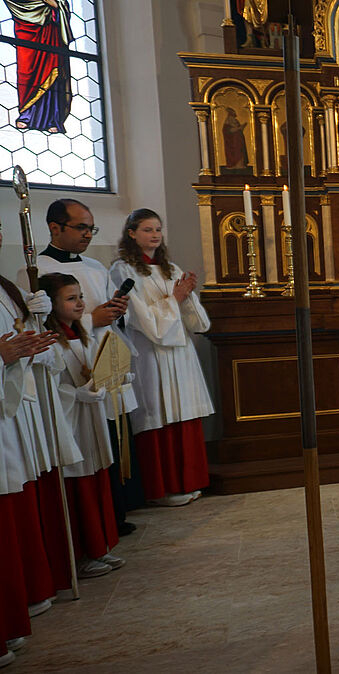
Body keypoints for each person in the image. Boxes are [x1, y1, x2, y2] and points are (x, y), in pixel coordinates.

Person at [32, 198, 140, 534]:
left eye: (91, 228)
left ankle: (117, 512)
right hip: (73, 361)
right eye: (81, 227)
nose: (88, 234)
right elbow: (45, 323)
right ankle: (98, 521)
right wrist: (95, 317)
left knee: (113, 436)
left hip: (105, 353)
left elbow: (108, 312)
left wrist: (116, 309)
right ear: (55, 228)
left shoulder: (94, 266)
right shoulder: (37, 269)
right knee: (92, 440)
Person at [110, 209, 213, 508]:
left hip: (180, 354)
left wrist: (188, 295)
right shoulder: (123, 270)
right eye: (146, 229)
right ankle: (162, 489)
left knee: (183, 413)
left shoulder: (170, 268)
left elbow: (197, 324)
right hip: (150, 354)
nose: (154, 235)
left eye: (158, 229)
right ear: (131, 233)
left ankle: (189, 481)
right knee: (158, 415)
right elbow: (145, 323)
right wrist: (176, 298)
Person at [0, 252, 73, 646]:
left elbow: (44, 357)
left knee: (19, 502)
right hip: (6, 413)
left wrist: (34, 325)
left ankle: (25, 597)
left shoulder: (5, 290)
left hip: (14, 413)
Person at [39, 273, 124, 579]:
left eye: (80, 297)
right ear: (51, 305)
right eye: (71, 298)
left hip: (90, 417)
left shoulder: (81, 333)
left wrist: (113, 373)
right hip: (71, 420)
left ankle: (100, 546)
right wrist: (77, 394)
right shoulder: (49, 341)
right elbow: (47, 387)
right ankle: (82, 555)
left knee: (97, 477)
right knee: (79, 485)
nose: (80, 304)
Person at [5, 0, 73, 132]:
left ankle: (53, 119)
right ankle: (27, 115)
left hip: (51, 30)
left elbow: (61, 4)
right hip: (27, 28)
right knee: (28, 72)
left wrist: (56, 5)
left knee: (53, 70)